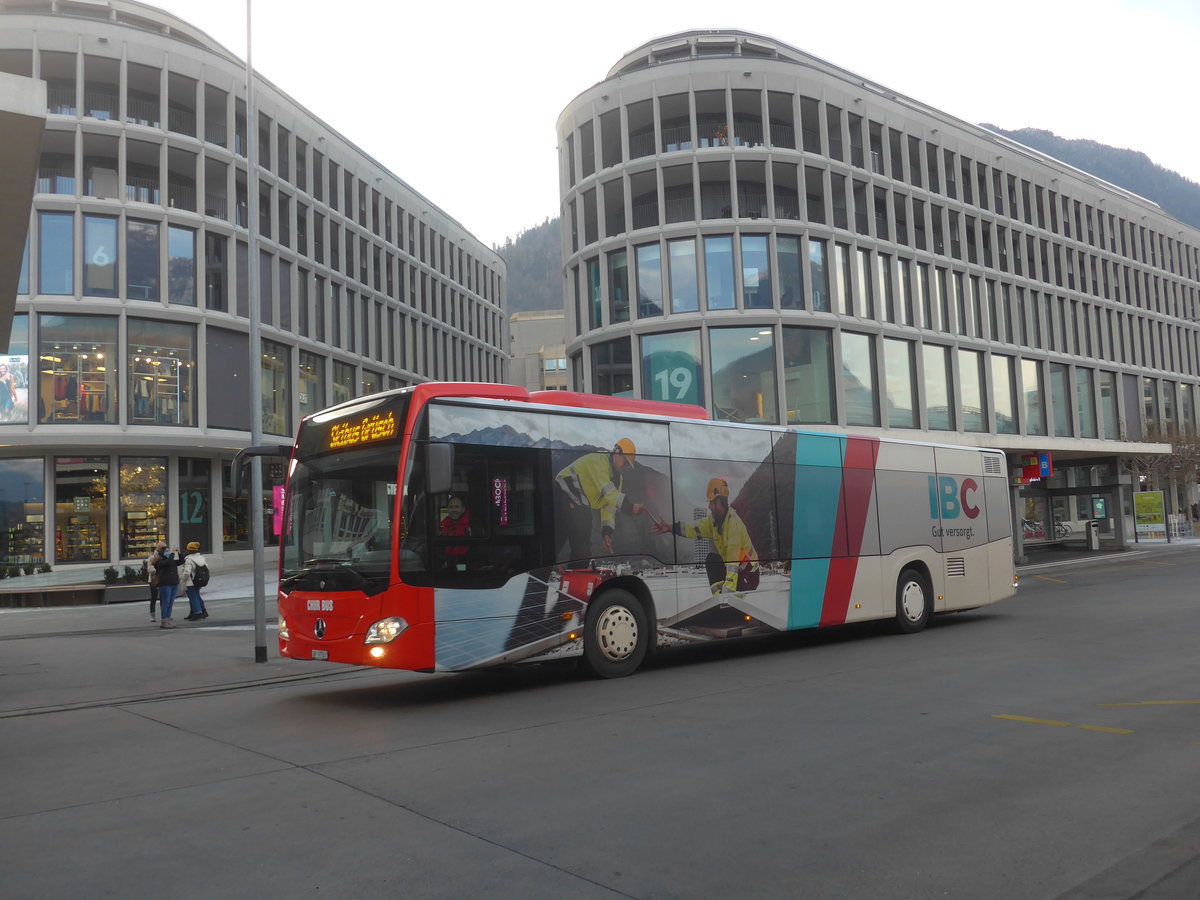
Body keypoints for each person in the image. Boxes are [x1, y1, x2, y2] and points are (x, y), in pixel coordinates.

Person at [652, 477, 760, 595]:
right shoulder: (714, 521)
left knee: (730, 596)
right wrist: (670, 527)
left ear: (719, 502)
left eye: (711, 502)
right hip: (738, 571)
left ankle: (726, 599)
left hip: (748, 574)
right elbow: (693, 528)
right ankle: (718, 595)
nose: (709, 507)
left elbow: (732, 562)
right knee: (712, 559)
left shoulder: (732, 524)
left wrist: (727, 594)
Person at [555, 438, 646, 561]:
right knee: (557, 539)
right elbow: (608, 493)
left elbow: (609, 506)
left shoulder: (617, 479)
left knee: (583, 550)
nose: (625, 467)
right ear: (617, 452)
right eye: (625, 462)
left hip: (579, 504)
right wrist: (630, 507)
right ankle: (537, 576)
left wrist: (606, 533)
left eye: (628, 466)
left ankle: (577, 577)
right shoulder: (599, 461)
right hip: (562, 493)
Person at [153, 545, 183, 629]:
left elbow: (181, 561)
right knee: (165, 602)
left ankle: (168, 619)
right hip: (165, 584)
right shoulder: (159, 562)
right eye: (166, 551)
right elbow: (167, 563)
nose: (168, 552)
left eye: (169, 550)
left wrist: (179, 553)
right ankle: (164, 621)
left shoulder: (171, 560)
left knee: (170, 602)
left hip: (174, 583)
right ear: (162, 552)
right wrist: (172, 554)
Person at [438, 495, 472, 567]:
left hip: (465, 564)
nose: (454, 510)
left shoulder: (471, 525)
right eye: (451, 507)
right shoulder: (444, 526)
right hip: (449, 564)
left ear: (463, 509)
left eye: (457, 507)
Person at [180, 541, 209, 621]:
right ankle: (202, 611)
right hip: (198, 581)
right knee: (197, 596)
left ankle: (197, 613)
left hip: (190, 582)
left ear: (189, 550)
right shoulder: (201, 558)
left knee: (193, 597)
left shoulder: (189, 560)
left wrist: (182, 579)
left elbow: (187, 572)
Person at [146, 541, 164, 622]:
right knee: (154, 597)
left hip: (163, 579)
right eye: (162, 548)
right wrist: (158, 570)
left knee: (163, 598)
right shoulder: (152, 558)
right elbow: (150, 568)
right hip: (154, 580)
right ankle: (152, 615)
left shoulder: (165, 557)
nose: (164, 549)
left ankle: (164, 615)